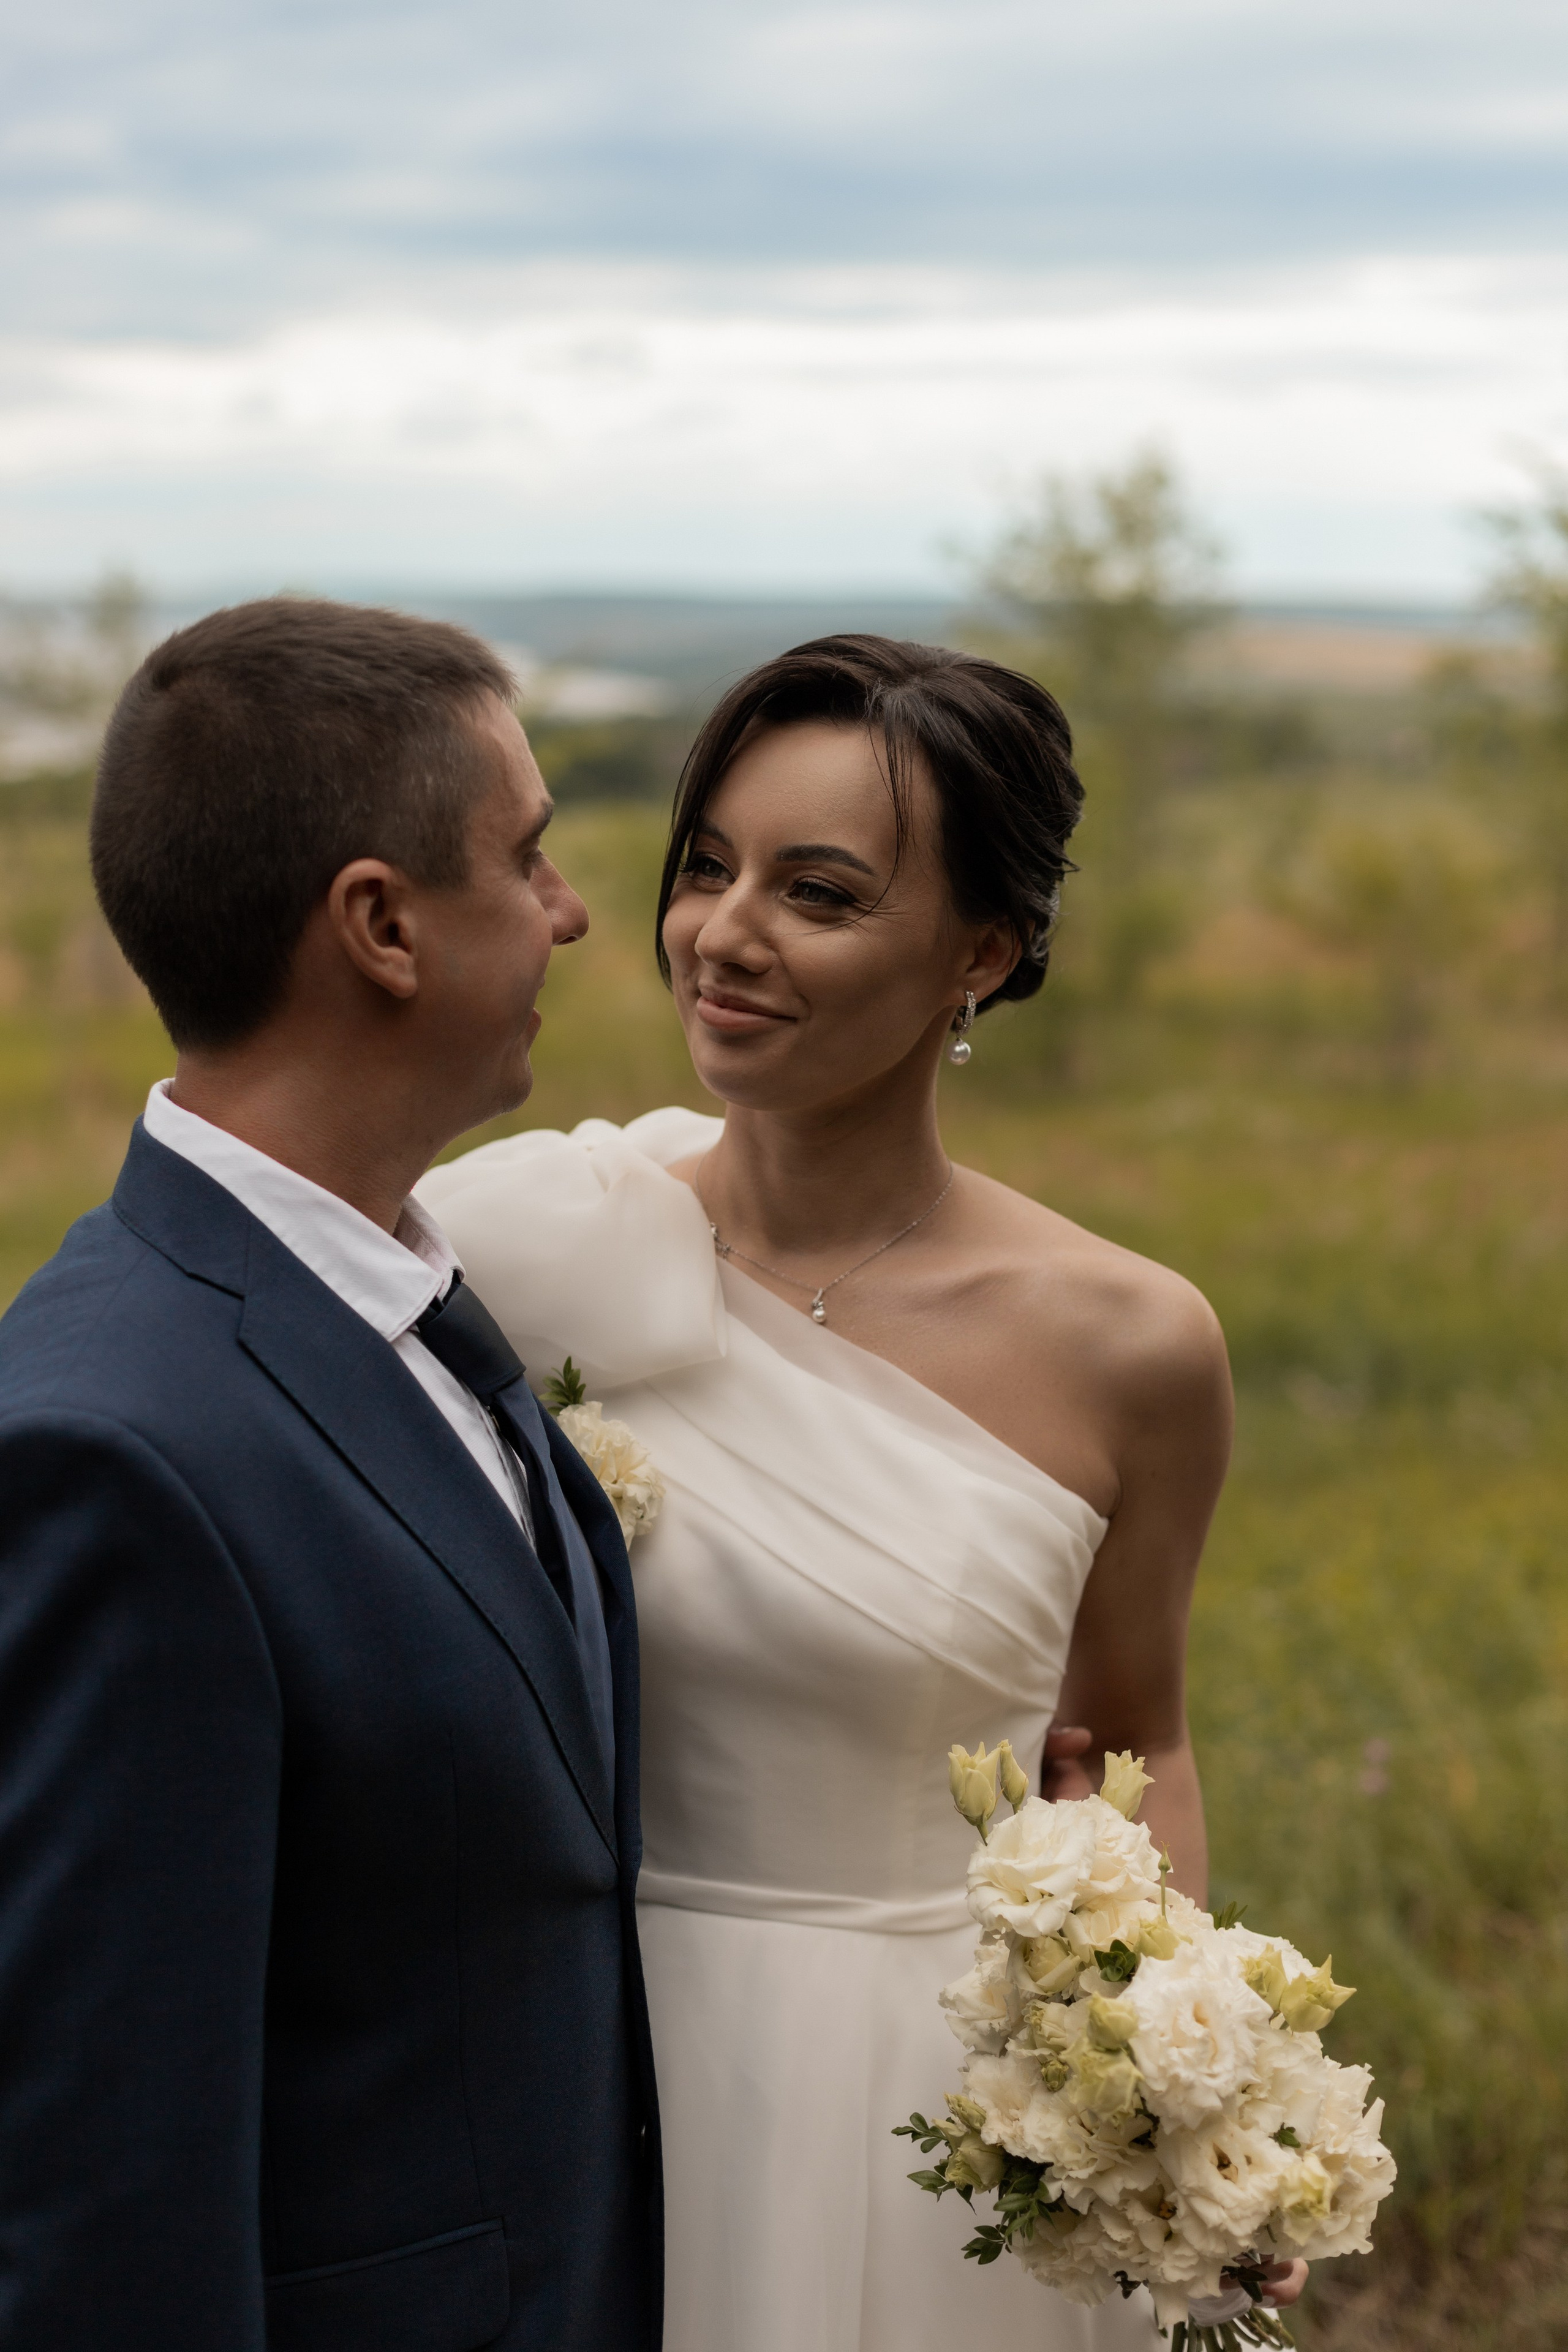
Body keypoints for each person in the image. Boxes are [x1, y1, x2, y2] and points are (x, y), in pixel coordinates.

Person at [421, 634, 1307, 2351]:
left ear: (981, 953)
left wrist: (1179, 2103)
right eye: (706, 866)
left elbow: (1133, 1747)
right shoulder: (538, 1240)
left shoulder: (1131, 1345)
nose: (722, 933)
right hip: (585, 2063)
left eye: (816, 893)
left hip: (933, 2108)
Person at [0, 600, 660, 2350]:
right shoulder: (106, 1453)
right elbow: (100, 2183)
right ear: (380, 925)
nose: (571, 911)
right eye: (526, 857)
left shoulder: (412, 1301)